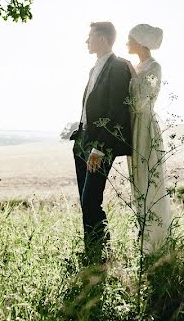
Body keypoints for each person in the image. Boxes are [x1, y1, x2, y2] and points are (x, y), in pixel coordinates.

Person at [68, 21, 133, 263]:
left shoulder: (117, 67)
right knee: (86, 203)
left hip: (99, 145)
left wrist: (100, 148)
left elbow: (117, 111)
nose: (87, 41)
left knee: (91, 200)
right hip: (82, 141)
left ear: (103, 39)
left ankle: (101, 255)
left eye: (90, 36)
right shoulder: (94, 67)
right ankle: (92, 252)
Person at [125, 23, 172, 255]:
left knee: (148, 180)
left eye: (130, 39)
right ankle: (142, 238)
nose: (126, 43)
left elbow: (139, 101)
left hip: (144, 128)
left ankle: (156, 242)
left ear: (141, 43)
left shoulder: (154, 67)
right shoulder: (139, 65)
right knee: (137, 182)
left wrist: (132, 74)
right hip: (134, 127)